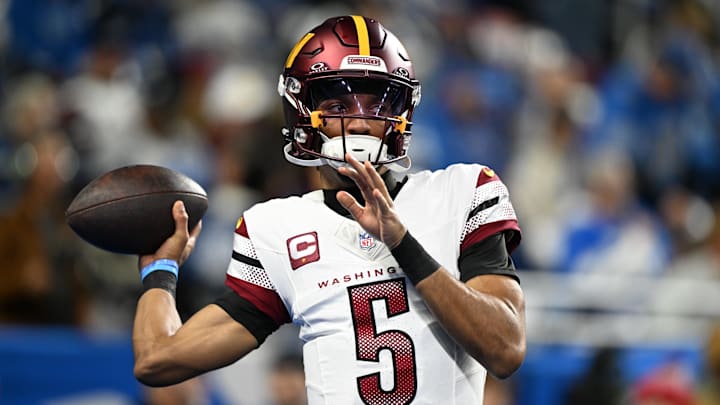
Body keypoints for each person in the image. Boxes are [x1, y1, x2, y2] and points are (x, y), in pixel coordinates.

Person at [132, 15, 526, 404]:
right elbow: (157, 360)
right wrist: (160, 272)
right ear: (301, 111)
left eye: (376, 104)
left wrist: (402, 242)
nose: (357, 123)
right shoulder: (276, 228)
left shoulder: (463, 191)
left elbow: (505, 348)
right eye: (338, 104)